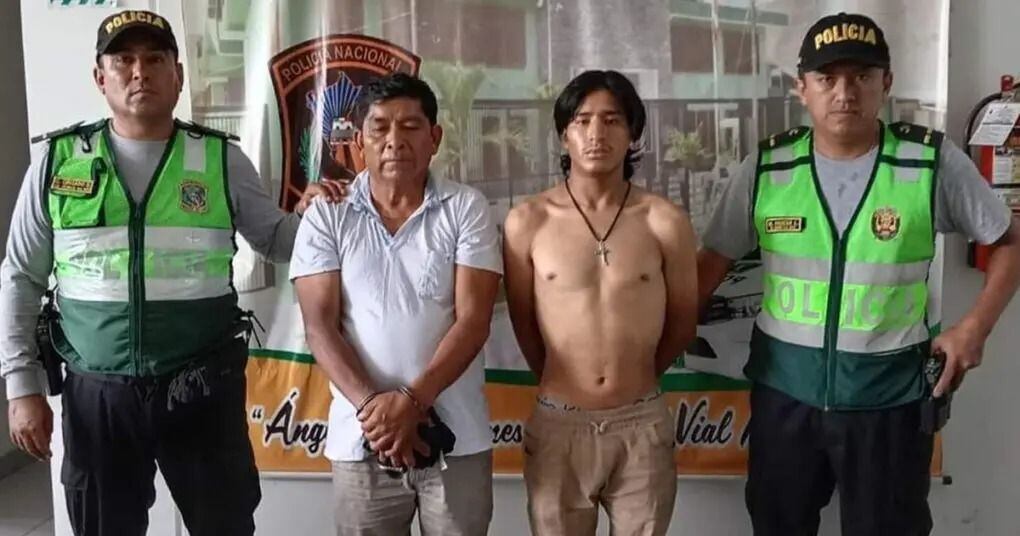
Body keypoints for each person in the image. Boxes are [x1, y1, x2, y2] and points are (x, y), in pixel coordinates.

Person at [0, 10, 342, 536]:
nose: (140, 72)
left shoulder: (220, 159)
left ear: (177, 75)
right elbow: (21, 276)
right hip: (97, 390)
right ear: (100, 77)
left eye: (155, 59)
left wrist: (313, 215)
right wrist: (21, 385)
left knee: (223, 525)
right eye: (123, 60)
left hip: (201, 384)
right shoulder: (58, 161)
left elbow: (277, 242)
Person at [696, 12, 1020, 535]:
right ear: (802, 88)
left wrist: (974, 329)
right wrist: (651, 348)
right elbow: (709, 265)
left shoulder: (928, 162)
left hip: (888, 402)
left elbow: (1008, 242)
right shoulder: (769, 168)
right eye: (827, 78)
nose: (845, 93)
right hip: (786, 398)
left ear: (885, 83)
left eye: (862, 77)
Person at [290, 73, 502, 536]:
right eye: (380, 127)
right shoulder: (327, 213)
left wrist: (411, 402)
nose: (394, 141)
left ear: (435, 138)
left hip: (456, 436)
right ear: (359, 142)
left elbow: (474, 320)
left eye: (410, 127)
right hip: (361, 436)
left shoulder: (466, 208)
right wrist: (376, 410)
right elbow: (319, 326)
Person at [502, 70, 699, 536]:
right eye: (582, 120)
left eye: (612, 120)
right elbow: (524, 324)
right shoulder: (527, 222)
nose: (596, 134)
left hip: (641, 420)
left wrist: (634, 377)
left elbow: (683, 322)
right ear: (563, 134)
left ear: (633, 133)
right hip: (560, 422)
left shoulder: (664, 220)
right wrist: (568, 384)